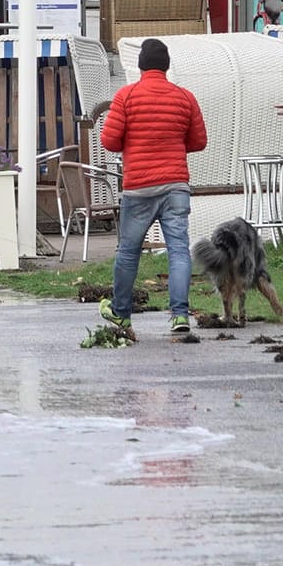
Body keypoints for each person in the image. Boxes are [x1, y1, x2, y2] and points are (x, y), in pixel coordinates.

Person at [98, 38, 207, 340]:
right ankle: (180, 314)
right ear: (166, 66)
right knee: (178, 252)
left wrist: (136, 142)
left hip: (139, 188)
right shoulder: (184, 97)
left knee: (129, 253)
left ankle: (121, 314)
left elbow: (109, 141)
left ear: (142, 65)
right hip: (176, 186)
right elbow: (199, 141)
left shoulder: (127, 96)